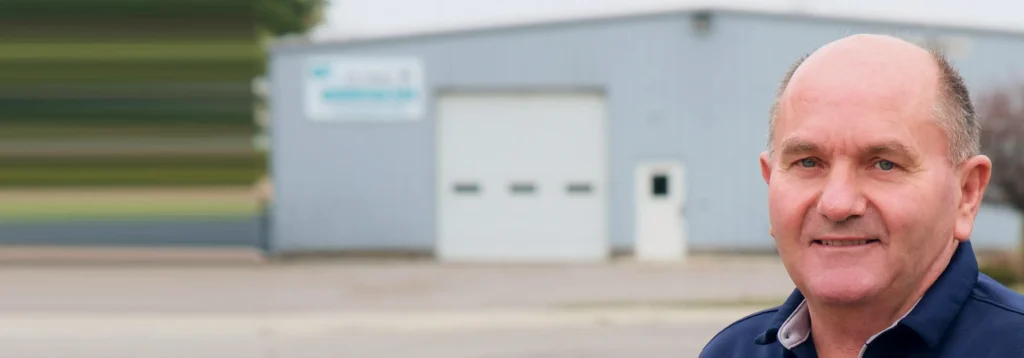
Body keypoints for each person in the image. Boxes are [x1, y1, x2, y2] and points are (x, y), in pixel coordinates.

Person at [700, 34, 1024, 357]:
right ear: (771, 183)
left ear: (966, 194)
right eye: (808, 162)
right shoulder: (731, 351)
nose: (837, 204)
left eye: (884, 164)